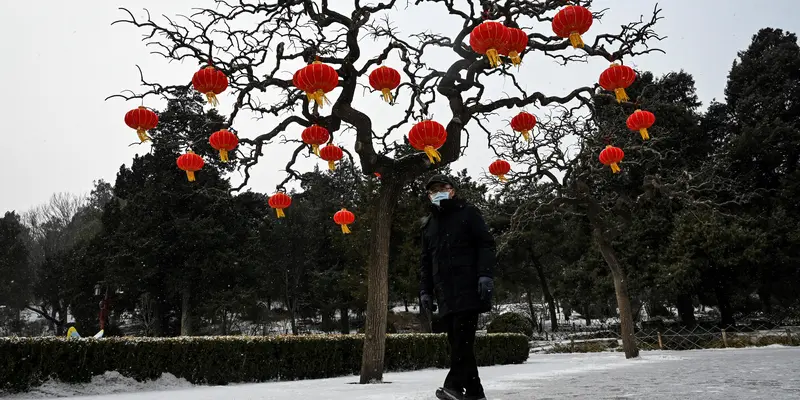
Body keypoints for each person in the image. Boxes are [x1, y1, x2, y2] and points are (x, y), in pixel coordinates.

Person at [419, 174, 496, 400]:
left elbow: (486, 243)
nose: (437, 193)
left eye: (441, 188)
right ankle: (475, 393)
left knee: (462, 340)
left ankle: (452, 386)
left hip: (469, 287)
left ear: (452, 190)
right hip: (444, 293)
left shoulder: (468, 213)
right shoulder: (429, 226)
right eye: (432, 191)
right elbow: (425, 261)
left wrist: (485, 274)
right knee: (458, 344)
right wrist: (425, 290)